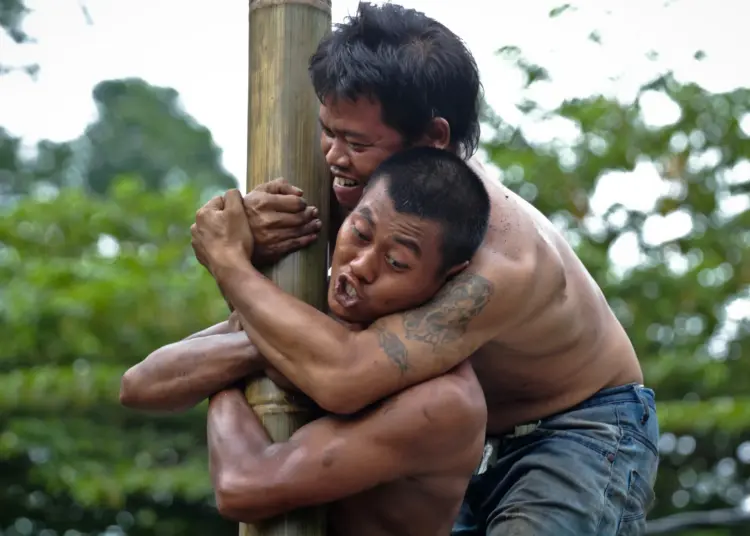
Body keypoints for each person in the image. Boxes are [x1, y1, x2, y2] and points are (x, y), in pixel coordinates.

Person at [123, 3, 659, 535]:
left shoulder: (495, 259)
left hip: (583, 428)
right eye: (327, 131)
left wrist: (229, 262)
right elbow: (146, 386)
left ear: (434, 139)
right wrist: (252, 240)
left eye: (357, 143)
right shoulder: (368, 199)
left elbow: (343, 379)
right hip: (465, 437)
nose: (332, 157)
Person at [162, 148, 492, 535]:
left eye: (397, 262)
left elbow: (241, 486)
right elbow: (141, 385)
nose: (362, 266)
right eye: (360, 233)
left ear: (448, 277)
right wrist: (266, 347)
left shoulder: (444, 400)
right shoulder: (308, 312)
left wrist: (230, 269)